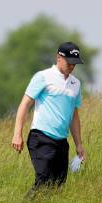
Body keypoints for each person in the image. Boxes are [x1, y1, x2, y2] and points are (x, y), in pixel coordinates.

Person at [11, 41, 87, 193]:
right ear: (59, 57)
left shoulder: (75, 84)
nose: (72, 66)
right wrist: (17, 134)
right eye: (69, 62)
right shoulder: (43, 77)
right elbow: (25, 104)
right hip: (41, 138)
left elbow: (74, 115)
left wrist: (79, 144)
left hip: (61, 143)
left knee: (58, 187)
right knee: (44, 180)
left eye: (75, 63)